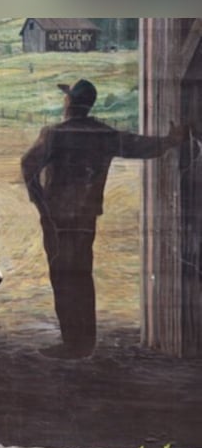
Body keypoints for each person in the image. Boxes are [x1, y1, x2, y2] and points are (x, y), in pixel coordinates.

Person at [21, 78, 188, 359]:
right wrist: (171, 141)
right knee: (82, 275)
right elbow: (141, 147)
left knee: (62, 277)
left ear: (70, 103)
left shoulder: (54, 134)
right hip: (85, 217)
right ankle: (84, 342)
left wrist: (41, 204)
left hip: (56, 219)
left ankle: (72, 342)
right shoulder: (104, 135)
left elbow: (28, 164)